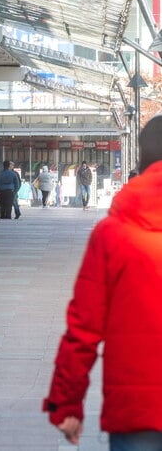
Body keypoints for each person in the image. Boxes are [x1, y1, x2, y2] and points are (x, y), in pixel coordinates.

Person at [43, 115, 162, 448]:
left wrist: (66, 404)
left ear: (141, 157)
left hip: (136, 413)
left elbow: (83, 327)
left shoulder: (114, 233)